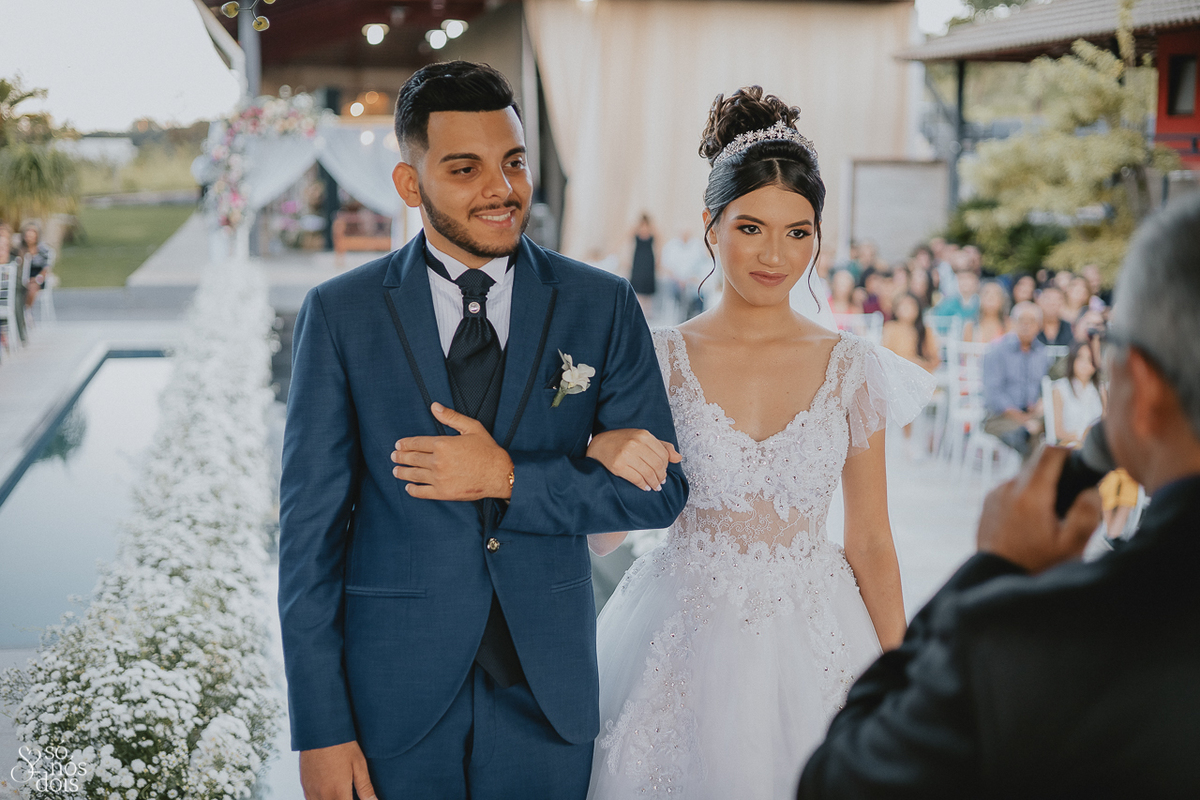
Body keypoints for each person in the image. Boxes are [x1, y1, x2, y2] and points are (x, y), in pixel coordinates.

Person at [278, 62, 689, 800]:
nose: (501, 188)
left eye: (514, 162)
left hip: (548, 695)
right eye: (465, 169)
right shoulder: (341, 315)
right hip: (393, 700)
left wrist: (508, 477)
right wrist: (320, 728)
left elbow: (659, 494)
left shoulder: (601, 304)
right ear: (411, 185)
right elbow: (308, 540)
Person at [585, 86, 934, 800]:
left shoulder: (852, 367)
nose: (776, 254)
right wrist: (596, 458)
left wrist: (905, 682)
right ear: (710, 226)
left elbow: (871, 539)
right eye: (751, 227)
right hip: (677, 632)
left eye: (798, 232)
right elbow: (604, 535)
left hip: (817, 636)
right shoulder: (657, 358)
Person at [798, 189, 1200, 800]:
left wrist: (995, 567)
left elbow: (838, 779)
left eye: (1110, 345)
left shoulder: (1036, 640)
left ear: (1141, 385)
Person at [981, 302, 1050, 459]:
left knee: (1054, 429)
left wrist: (1039, 405)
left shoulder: (1042, 353)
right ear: (1012, 322)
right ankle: (1028, 473)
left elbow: (1045, 387)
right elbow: (993, 394)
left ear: (1039, 326)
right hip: (1000, 417)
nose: (1026, 326)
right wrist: (1022, 418)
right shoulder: (997, 351)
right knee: (1025, 436)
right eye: (1021, 320)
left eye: (1031, 321)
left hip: (1033, 415)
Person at [1051, 341, 1103, 446]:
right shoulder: (1060, 388)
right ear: (1073, 359)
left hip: (1095, 446)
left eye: (1090, 359)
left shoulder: (1101, 389)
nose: (1085, 364)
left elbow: (1106, 426)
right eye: (1080, 358)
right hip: (1071, 445)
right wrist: (1080, 438)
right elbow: (1058, 432)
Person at [882, 293, 939, 373]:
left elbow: (935, 360)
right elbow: (885, 357)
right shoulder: (890, 328)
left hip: (921, 374)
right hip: (898, 374)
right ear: (896, 310)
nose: (906, 308)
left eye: (910, 305)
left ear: (917, 308)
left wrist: (920, 364)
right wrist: (909, 363)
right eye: (902, 305)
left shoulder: (925, 330)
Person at [962, 279, 1010, 343]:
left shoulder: (1009, 326)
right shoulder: (970, 327)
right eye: (986, 293)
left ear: (1002, 300)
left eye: (996, 294)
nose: (991, 297)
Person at [629, 213, 658, 317]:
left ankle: (647, 310)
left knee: (647, 284)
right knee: (637, 283)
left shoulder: (652, 232)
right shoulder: (636, 232)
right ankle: (639, 308)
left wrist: (658, 261)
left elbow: (658, 244)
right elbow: (628, 239)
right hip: (638, 260)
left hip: (648, 260)